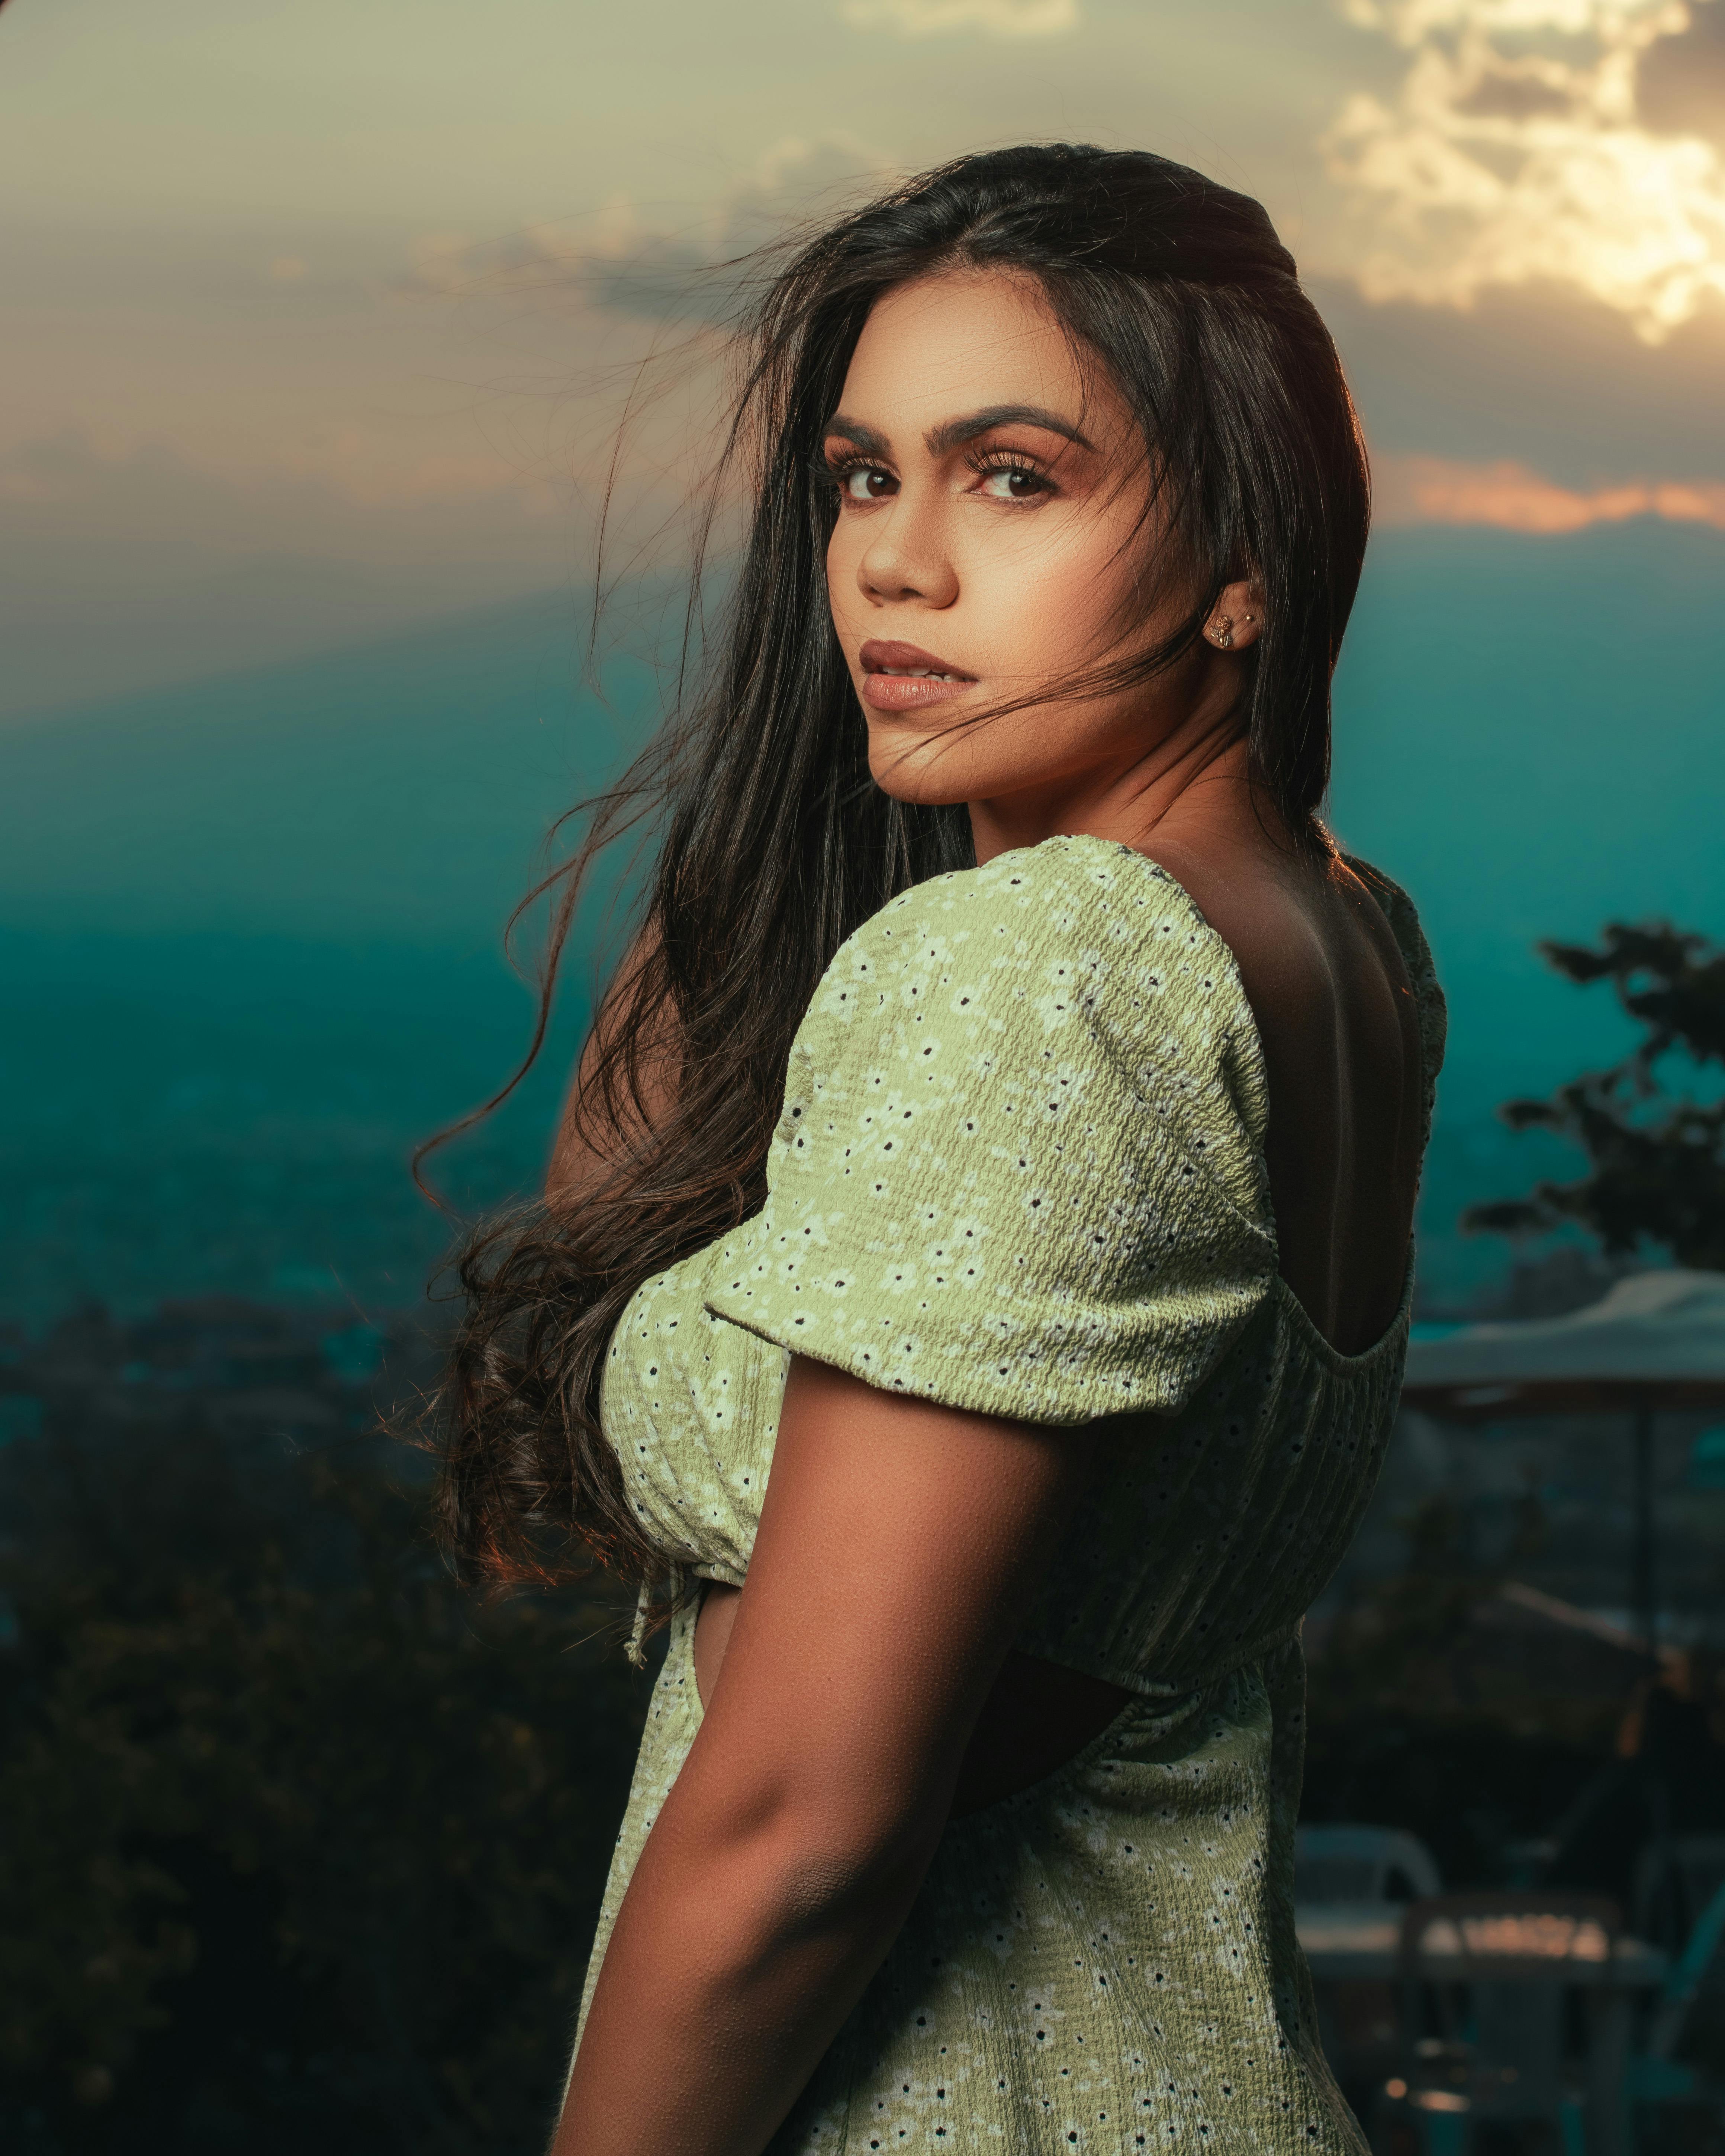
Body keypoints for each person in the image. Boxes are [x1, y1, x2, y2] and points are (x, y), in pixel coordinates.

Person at [433, 144, 1445, 2156]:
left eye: (1014, 475)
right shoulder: (1344, 932)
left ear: (1246, 559)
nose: (893, 564)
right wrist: (801, 780)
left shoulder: (1043, 971)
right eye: (860, 476)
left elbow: (805, 1827)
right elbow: (615, 1209)